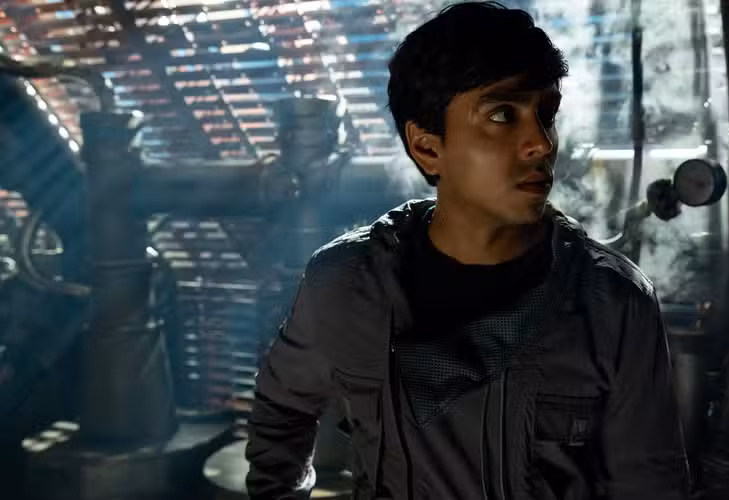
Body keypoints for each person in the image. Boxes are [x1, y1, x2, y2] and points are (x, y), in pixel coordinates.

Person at [246, 2, 690, 499]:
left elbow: (650, 486)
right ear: (427, 147)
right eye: (502, 114)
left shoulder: (613, 304)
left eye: (546, 114)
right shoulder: (346, 283)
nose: (541, 143)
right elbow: (281, 410)